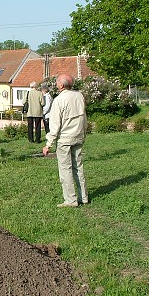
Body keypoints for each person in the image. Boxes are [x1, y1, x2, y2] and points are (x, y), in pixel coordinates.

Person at [43, 74, 88, 208]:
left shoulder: (59, 100)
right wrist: (84, 133)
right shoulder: (79, 96)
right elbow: (84, 117)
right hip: (78, 136)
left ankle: (70, 200)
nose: (56, 84)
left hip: (65, 139)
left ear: (61, 85)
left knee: (65, 169)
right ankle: (83, 197)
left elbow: (55, 125)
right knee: (78, 167)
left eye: (57, 82)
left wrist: (48, 144)